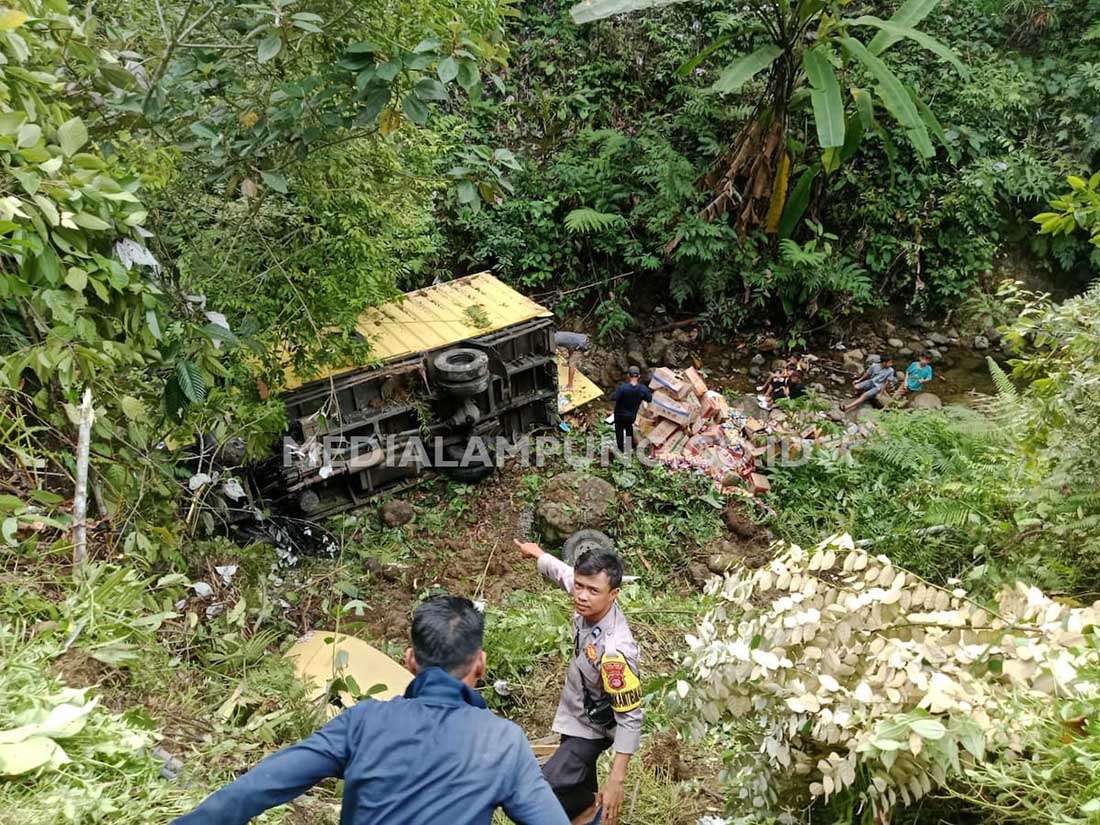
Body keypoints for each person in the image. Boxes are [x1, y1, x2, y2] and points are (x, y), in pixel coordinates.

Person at [172, 597, 568, 825]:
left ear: (410, 660)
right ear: (479, 663)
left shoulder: (362, 722)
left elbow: (258, 788)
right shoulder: (503, 742)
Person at [513, 540, 642, 825]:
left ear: (614, 594)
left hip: (592, 729)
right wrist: (536, 553)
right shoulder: (588, 597)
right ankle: (589, 813)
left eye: (593, 590)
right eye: (580, 586)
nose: (582, 596)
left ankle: (590, 808)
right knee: (577, 785)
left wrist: (617, 781)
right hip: (575, 711)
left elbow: (631, 718)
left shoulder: (614, 652)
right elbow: (563, 574)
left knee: (540, 792)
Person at [610, 366, 653, 453]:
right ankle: (630, 448)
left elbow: (613, 397)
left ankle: (621, 449)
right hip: (631, 416)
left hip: (619, 415)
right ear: (639, 376)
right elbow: (649, 399)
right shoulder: (642, 389)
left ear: (628, 376)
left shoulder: (623, 388)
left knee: (619, 431)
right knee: (629, 428)